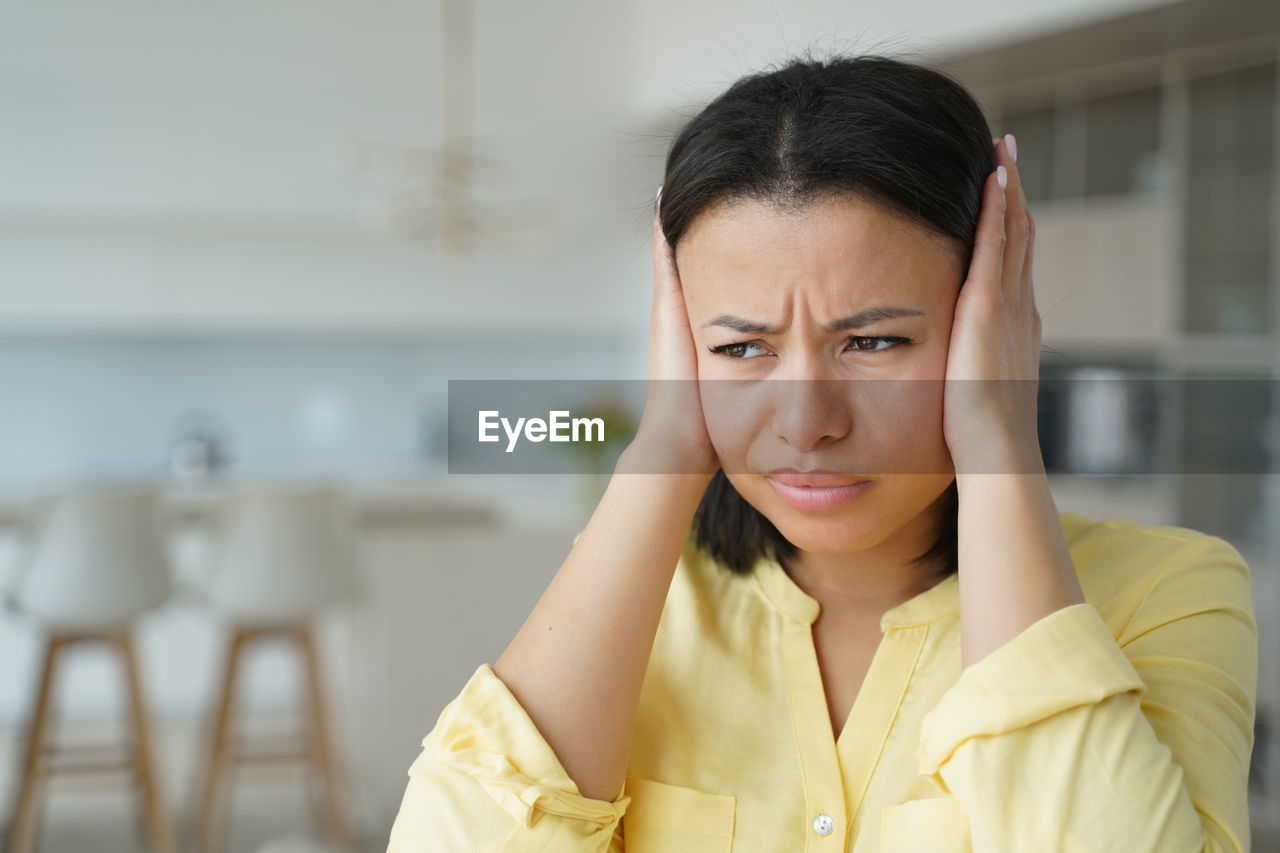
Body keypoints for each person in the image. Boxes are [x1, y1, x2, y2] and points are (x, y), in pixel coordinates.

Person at [386, 52, 1258, 852]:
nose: (807, 424)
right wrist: (665, 443)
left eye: (873, 343)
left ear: (988, 327)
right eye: (740, 349)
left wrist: (998, 439)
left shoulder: (1168, 593)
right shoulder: (638, 593)